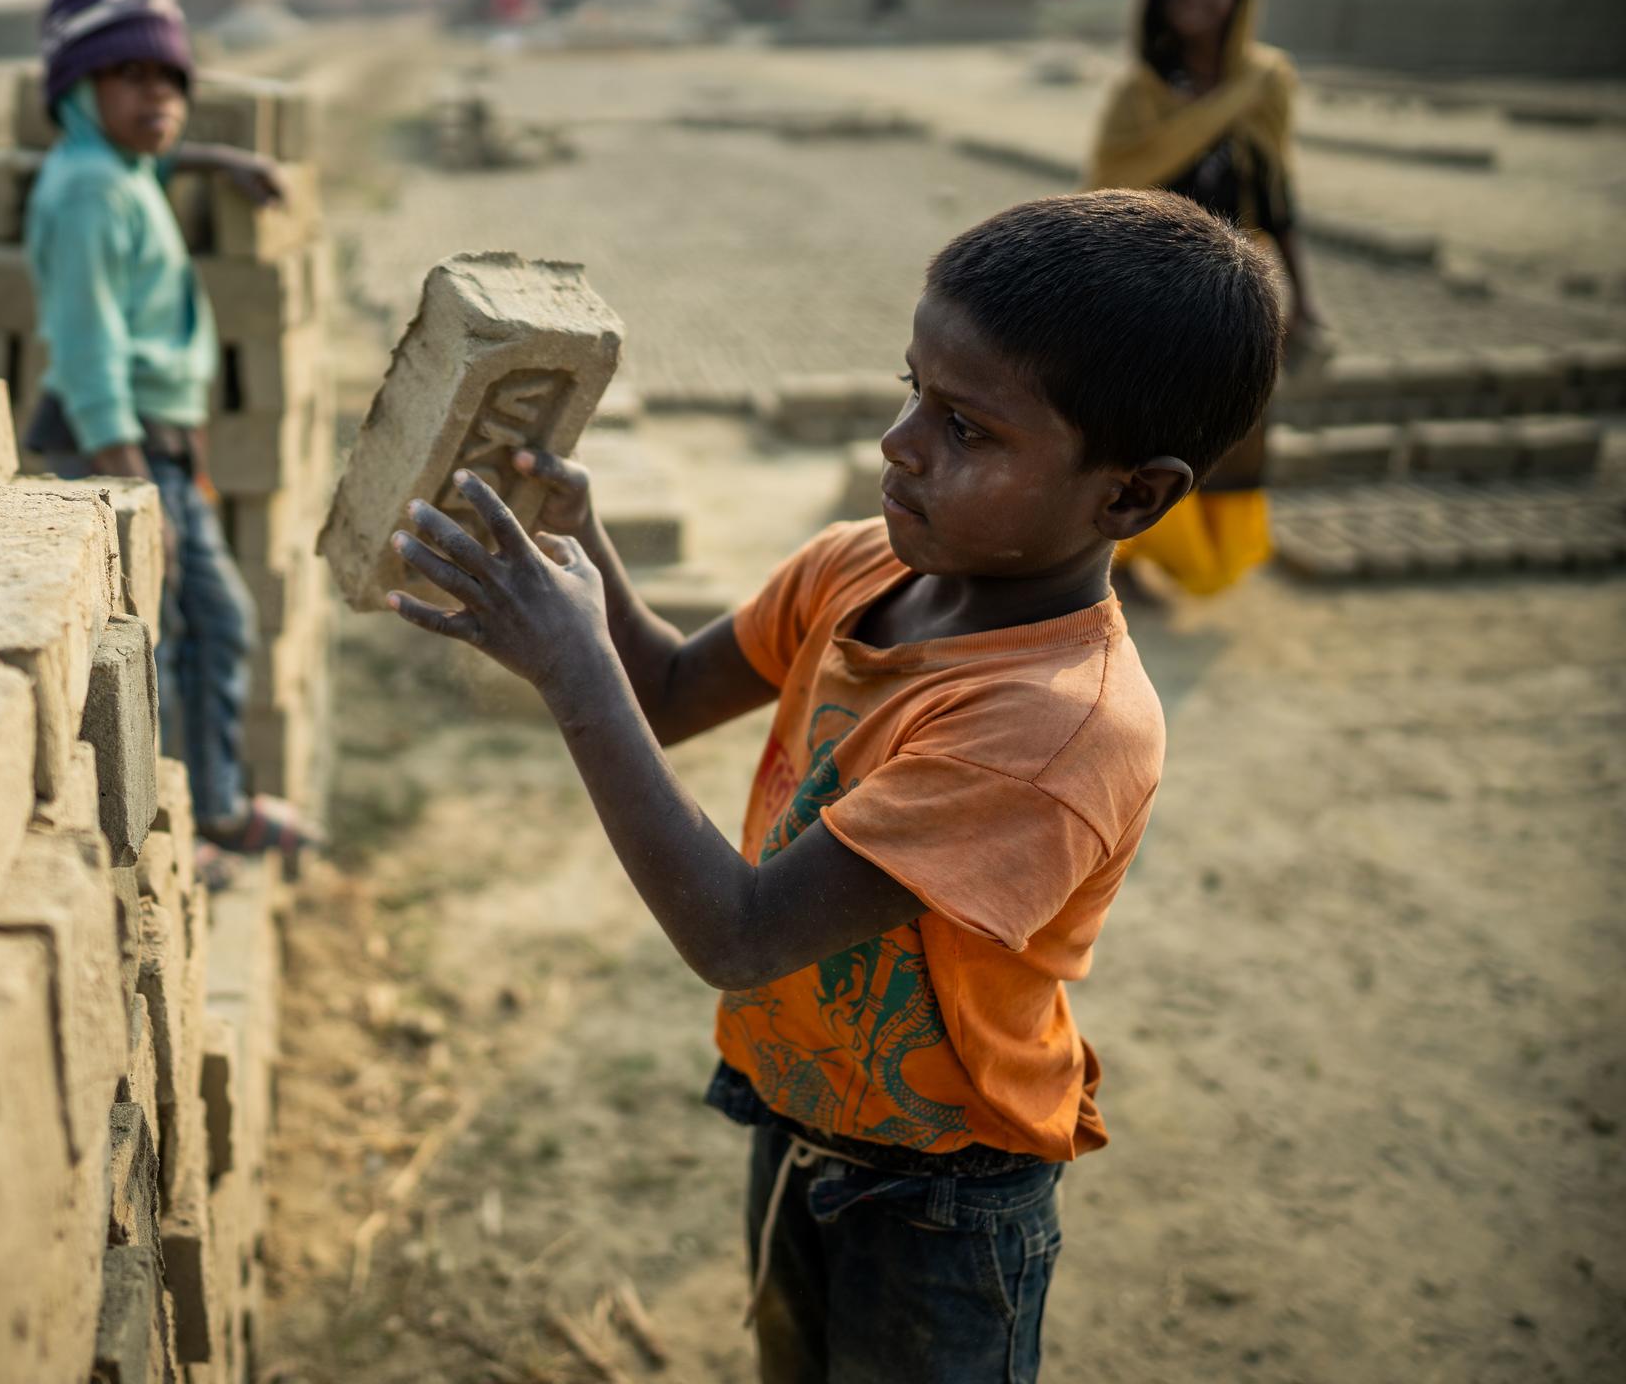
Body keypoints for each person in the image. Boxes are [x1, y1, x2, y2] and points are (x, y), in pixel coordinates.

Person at [386, 191, 1283, 1382]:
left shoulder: (1056, 728)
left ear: (1130, 496)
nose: (900, 442)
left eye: (967, 428)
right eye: (910, 387)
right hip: (805, 1119)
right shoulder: (860, 563)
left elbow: (741, 932)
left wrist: (570, 670)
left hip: (944, 1200)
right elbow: (661, 689)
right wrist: (583, 549)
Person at [25, 0, 321, 866]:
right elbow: (85, 342)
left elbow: (144, 158)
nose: (157, 95)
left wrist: (214, 159)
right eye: (130, 76)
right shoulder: (88, 194)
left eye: (170, 79)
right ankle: (201, 818)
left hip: (155, 446)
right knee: (193, 628)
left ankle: (207, 805)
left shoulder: (113, 169)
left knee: (199, 623)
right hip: (119, 447)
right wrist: (130, 483)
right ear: (79, 88)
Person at [1087, 0, 1325, 595]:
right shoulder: (1140, 95)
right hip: (1151, 286)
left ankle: (1203, 557)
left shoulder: (1265, 84)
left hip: (1234, 286)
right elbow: (1110, 192)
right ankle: (1129, 559)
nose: (1195, 1)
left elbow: (1278, 198)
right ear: (1157, 3)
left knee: (1231, 425)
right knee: (1148, 424)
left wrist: (1304, 296)